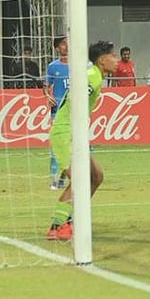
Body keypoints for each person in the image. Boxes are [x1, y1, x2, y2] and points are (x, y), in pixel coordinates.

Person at [46, 41, 119, 241]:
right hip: (64, 134)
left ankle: (70, 221)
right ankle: (58, 227)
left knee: (96, 176)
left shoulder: (95, 75)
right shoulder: (93, 76)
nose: (117, 60)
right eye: (113, 56)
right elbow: (77, 96)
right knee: (80, 180)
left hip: (74, 134)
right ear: (102, 60)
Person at [43, 36, 70, 189]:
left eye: (68, 43)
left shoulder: (81, 65)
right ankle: (54, 179)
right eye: (63, 44)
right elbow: (46, 85)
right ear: (57, 48)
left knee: (74, 147)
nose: (66, 46)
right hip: (58, 111)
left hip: (75, 111)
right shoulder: (53, 67)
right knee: (56, 146)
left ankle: (63, 178)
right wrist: (48, 95)